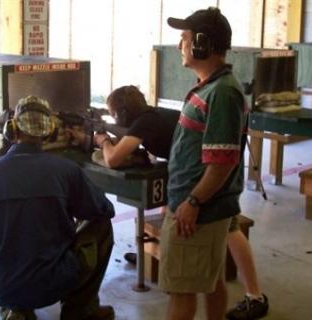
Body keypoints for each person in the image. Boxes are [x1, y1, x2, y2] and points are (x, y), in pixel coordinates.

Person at [88, 84, 268, 320]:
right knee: (213, 261)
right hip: (196, 178)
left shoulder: (146, 122)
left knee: (230, 231)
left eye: (114, 113)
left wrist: (103, 140)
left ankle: (255, 295)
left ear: (123, 113)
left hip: (203, 184)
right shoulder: (153, 114)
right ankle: (154, 254)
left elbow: (113, 159)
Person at [0, 95, 115, 320]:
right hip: (55, 283)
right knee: (101, 226)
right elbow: (104, 210)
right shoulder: (66, 171)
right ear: (48, 131)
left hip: (0, 285)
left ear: (11, 129)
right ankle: (80, 311)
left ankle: (15, 308)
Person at [158, 7, 266, 320]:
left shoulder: (222, 92)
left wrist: (191, 201)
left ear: (203, 43)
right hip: (199, 205)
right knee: (211, 279)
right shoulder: (212, 86)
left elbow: (221, 162)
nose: (180, 45)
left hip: (200, 210)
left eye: (185, 38)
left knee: (181, 289)